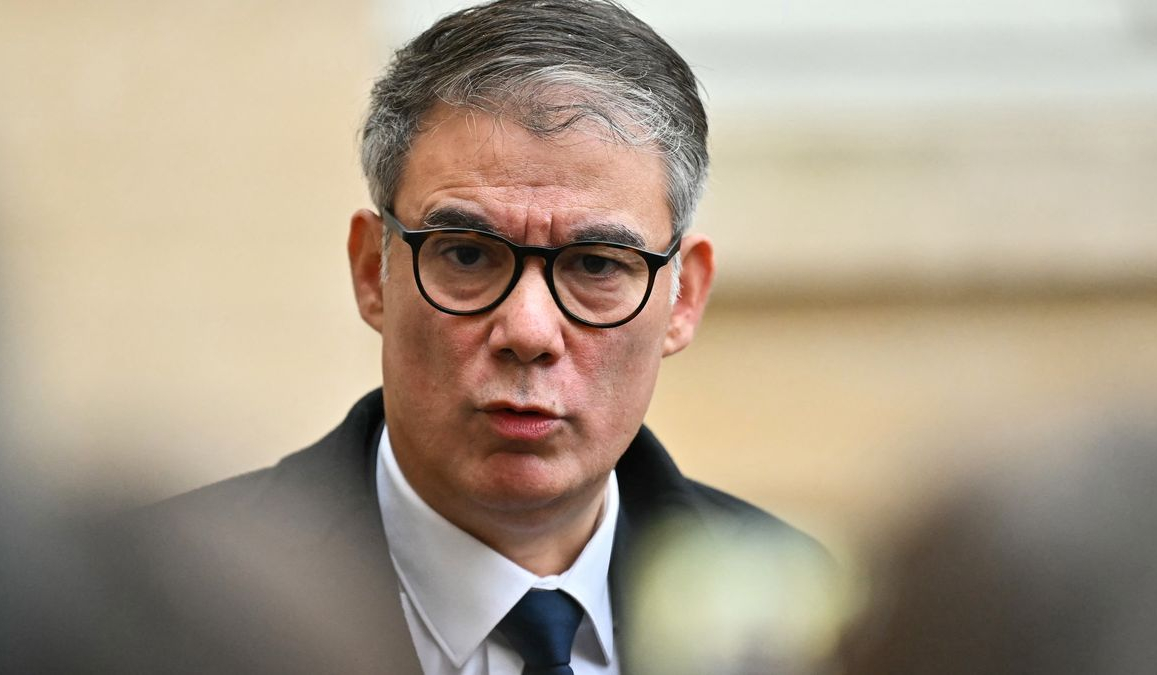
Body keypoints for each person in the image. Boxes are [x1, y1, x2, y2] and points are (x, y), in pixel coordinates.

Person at [76, 2, 827, 673]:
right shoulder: (143, 615)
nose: (528, 331)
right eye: (467, 255)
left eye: (596, 264)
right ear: (372, 271)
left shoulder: (802, 628)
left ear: (683, 296)